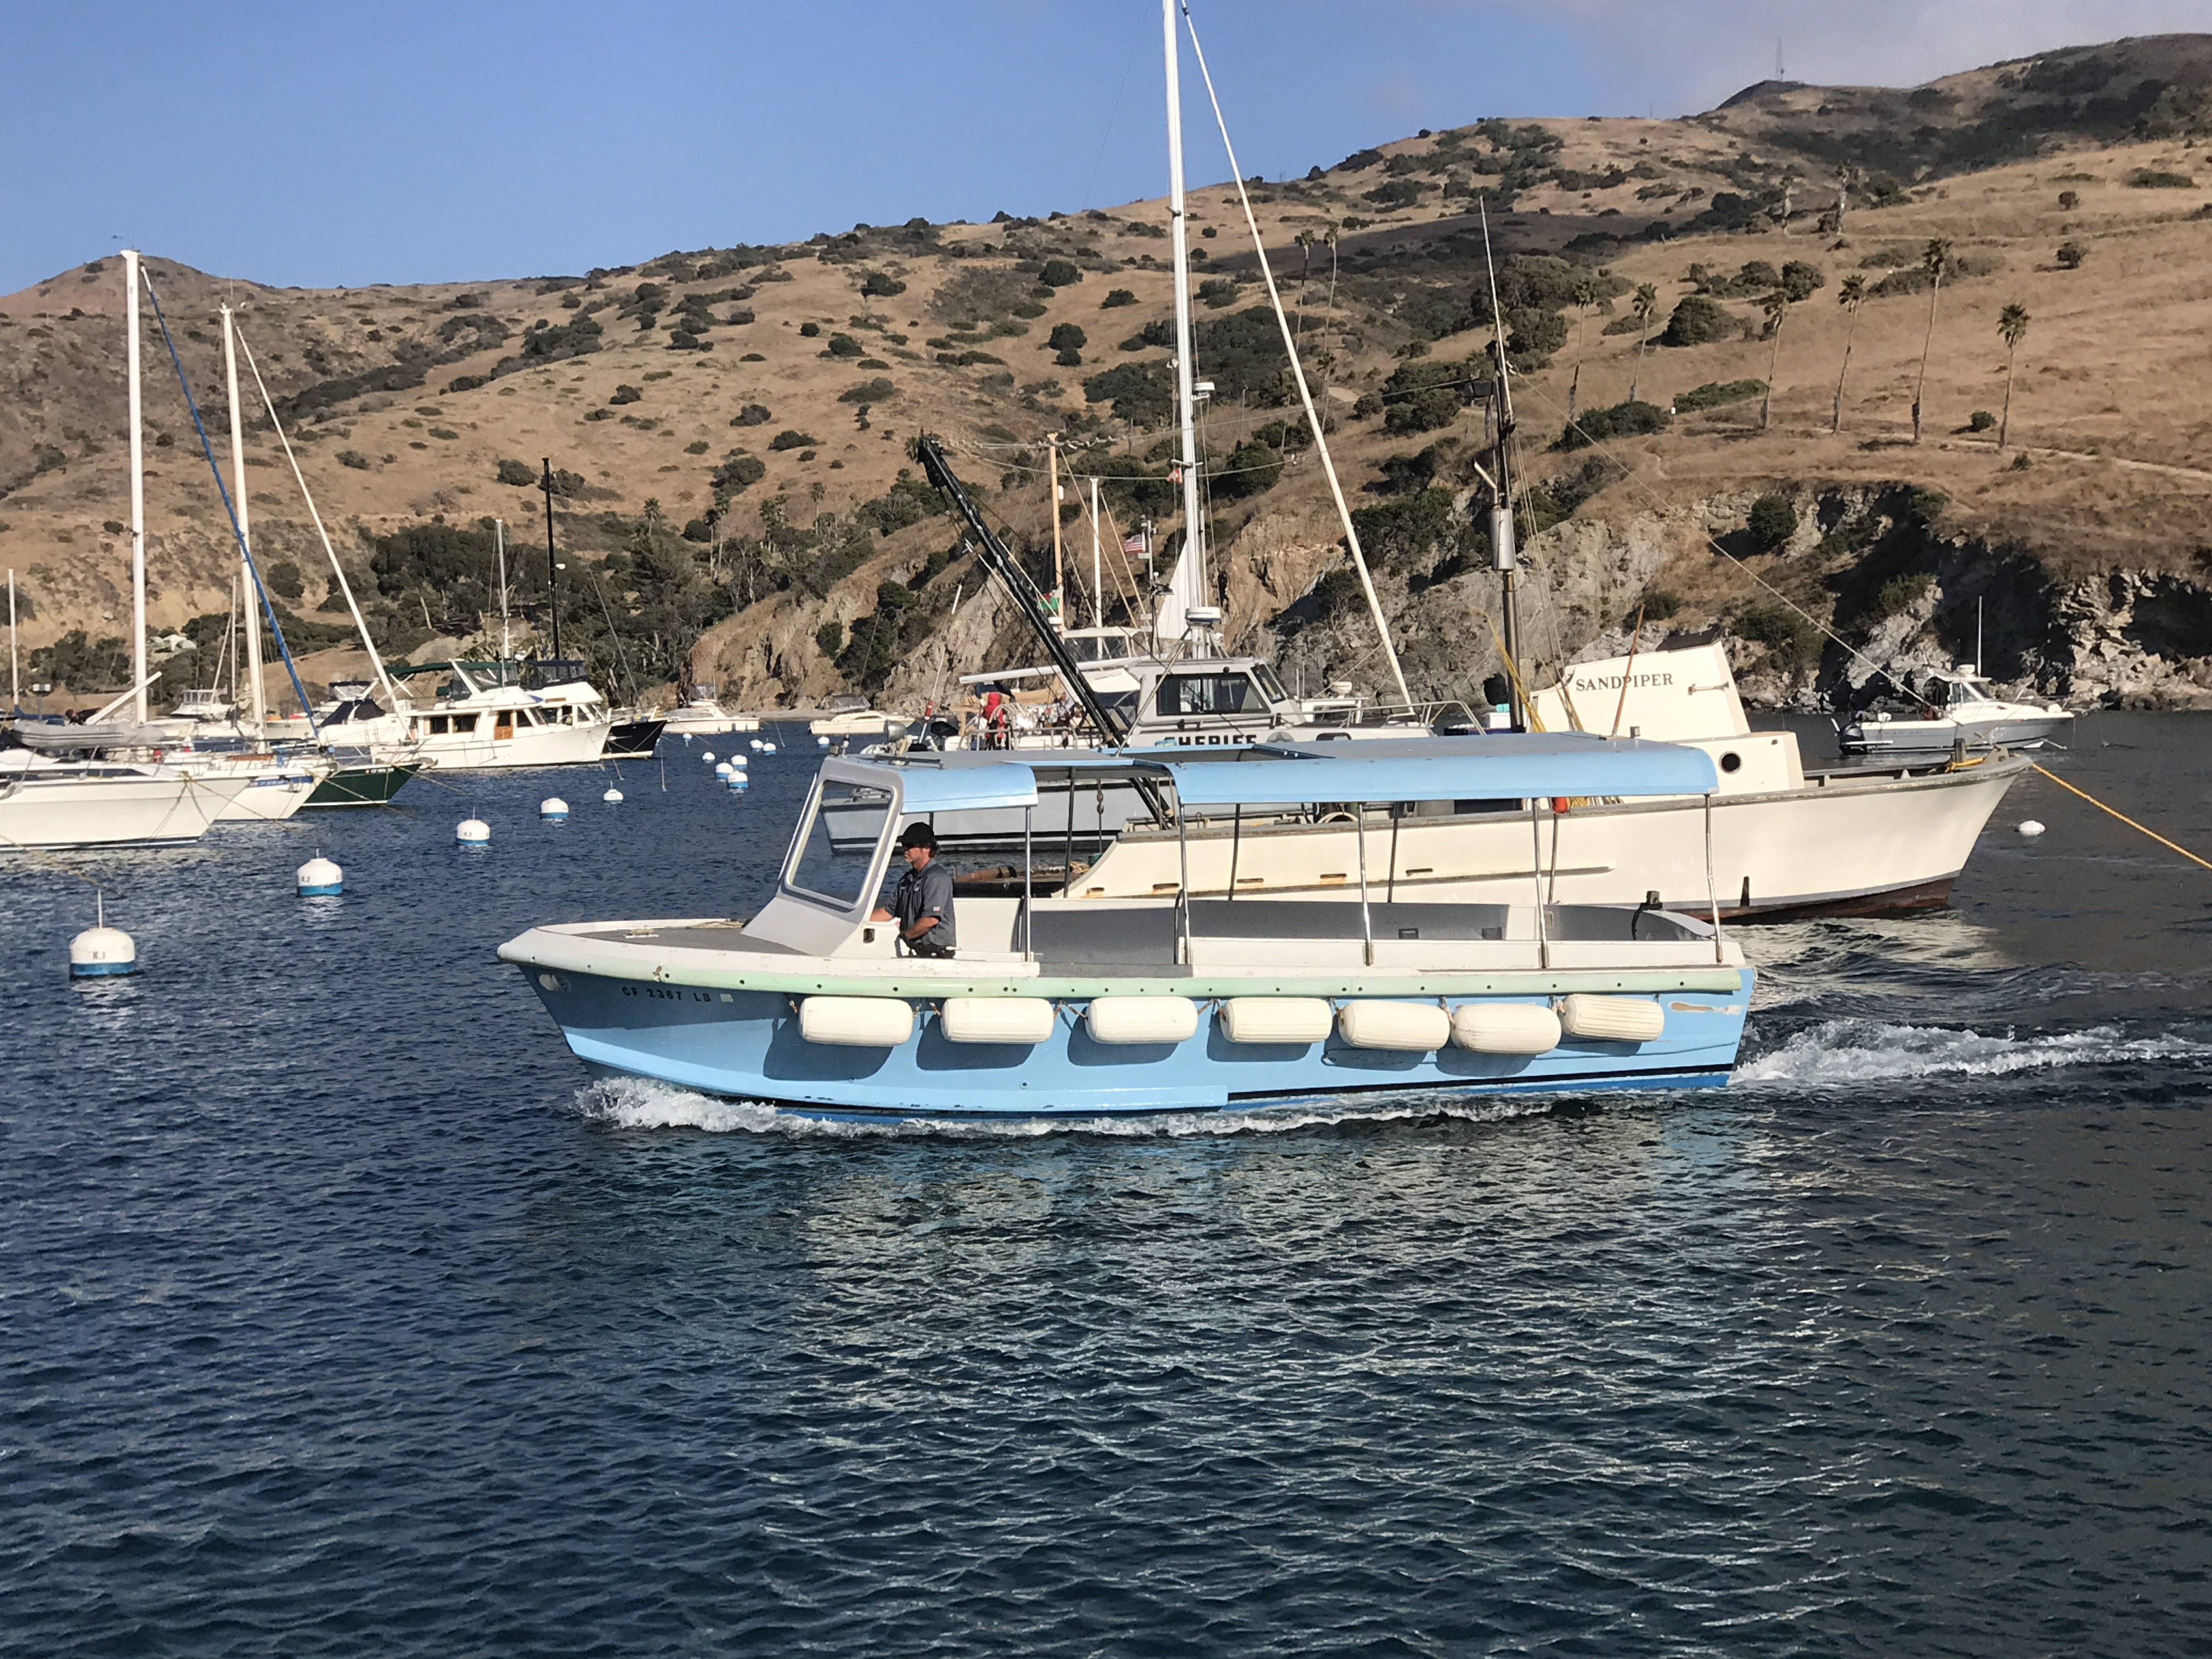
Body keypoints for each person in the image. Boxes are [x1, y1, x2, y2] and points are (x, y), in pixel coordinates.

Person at [872, 822, 957, 957]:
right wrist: (859, 922)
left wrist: (901, 938)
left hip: (936, 955)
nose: (905, 848)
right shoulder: (907, 879)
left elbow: (930, 921)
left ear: (927, 848)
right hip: (914, 953)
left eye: (910, 844)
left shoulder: (936, 878)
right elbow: (888, 912)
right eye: (903, 844)